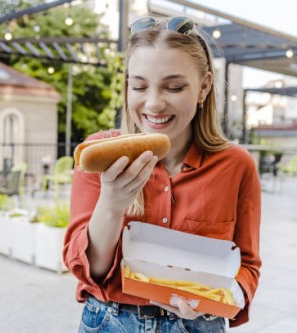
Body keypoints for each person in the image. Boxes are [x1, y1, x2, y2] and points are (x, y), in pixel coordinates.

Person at [63, 16, 261, 333]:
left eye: (174, 87)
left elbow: (246, 265)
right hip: (111, 321)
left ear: (204, 86)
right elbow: (91, 271)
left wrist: (214, 300)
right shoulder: (98, 156)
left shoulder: (237, 165)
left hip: (198, 326)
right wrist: (111, 205)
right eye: (139, 86)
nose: (154, 104)